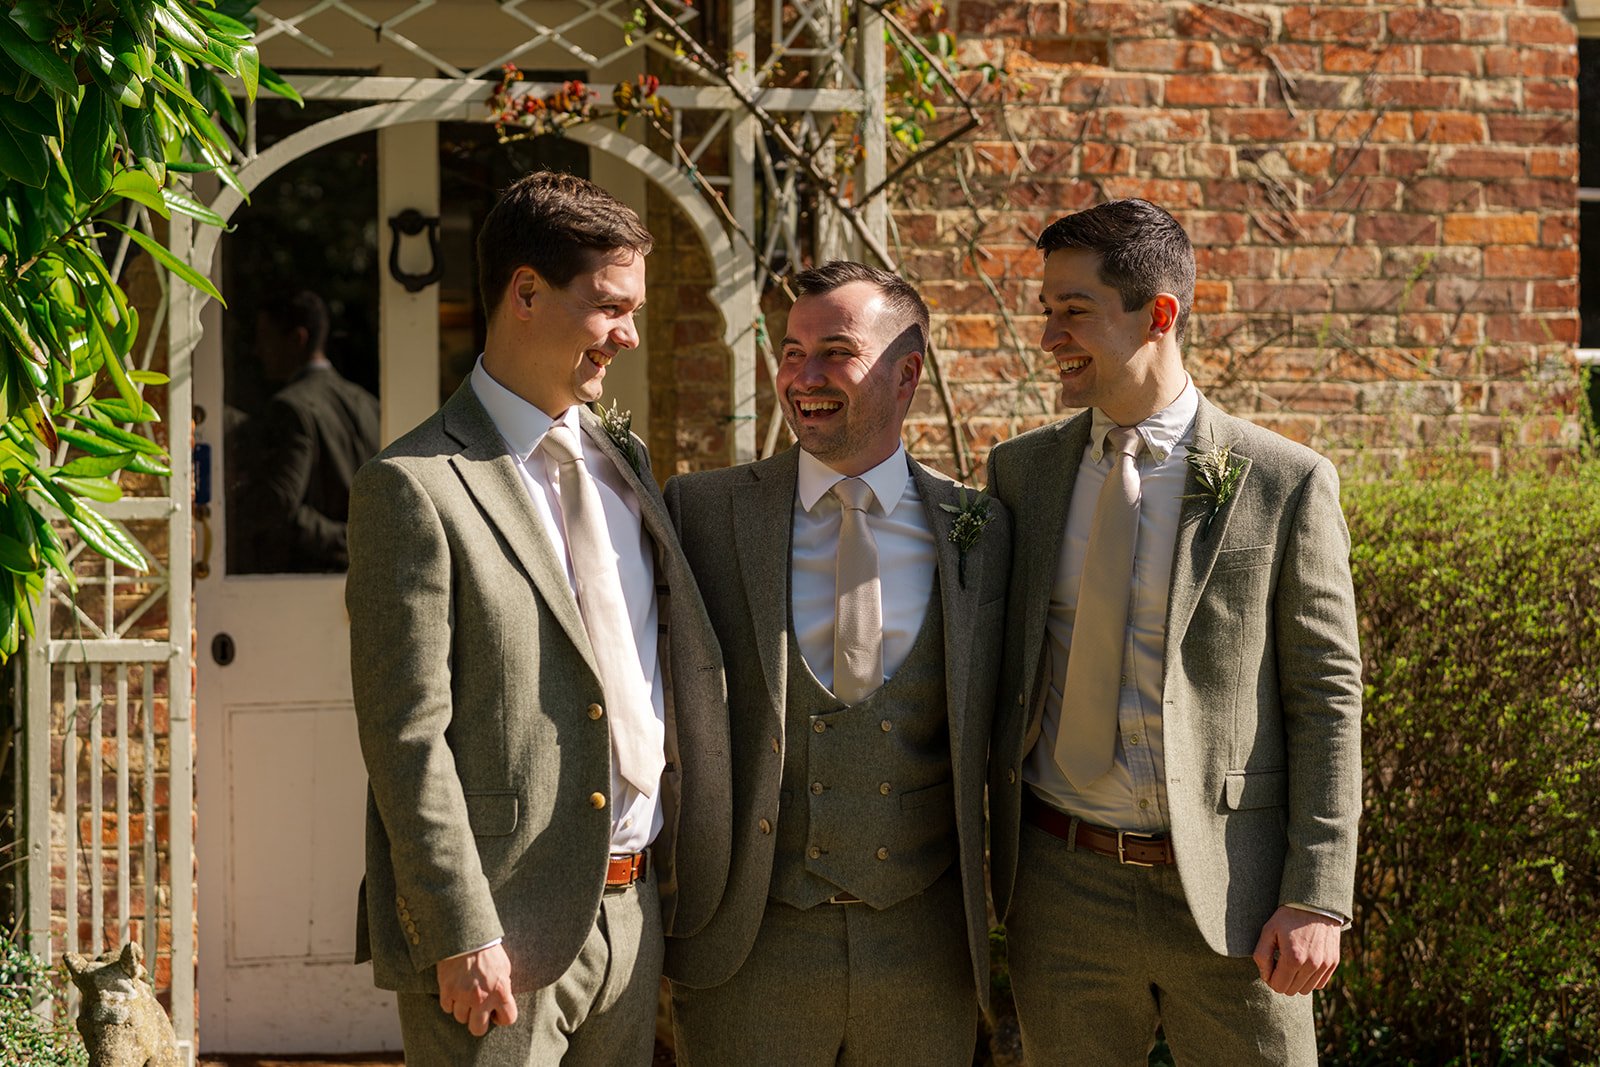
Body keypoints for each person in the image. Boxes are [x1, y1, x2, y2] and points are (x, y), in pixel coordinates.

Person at [344, 171, 729, 1066]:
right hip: (496, 937)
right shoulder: (414, 486)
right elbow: (405, 736)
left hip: (634, 920)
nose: (629, 335)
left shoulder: (621, 461)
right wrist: (459, 927)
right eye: (609, 308)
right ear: (526, 291)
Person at [985, 198, 1363, 1064]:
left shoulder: (1284, 481)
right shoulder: (1022, 474)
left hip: (1236, 888)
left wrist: (1317, 893)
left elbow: (1327, 697)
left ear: (1160, 315)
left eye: (1072, 312)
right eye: (1046, 311)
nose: (1049, 337)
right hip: (1060, 883)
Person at [663, 261, 1011, 1064]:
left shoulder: (983, 531)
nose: (803, 378)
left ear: (906, 373)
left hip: (926, 955)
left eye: (835, 352)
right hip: (749, 947)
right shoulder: (703, 512)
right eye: (791, 352)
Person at [233, 289, 380, 573]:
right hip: (364, 574)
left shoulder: (289, 408)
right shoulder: (367, 403)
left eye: (266, 338)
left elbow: (278, 506)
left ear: (297, 339)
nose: (258, 350)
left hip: (309, 578)